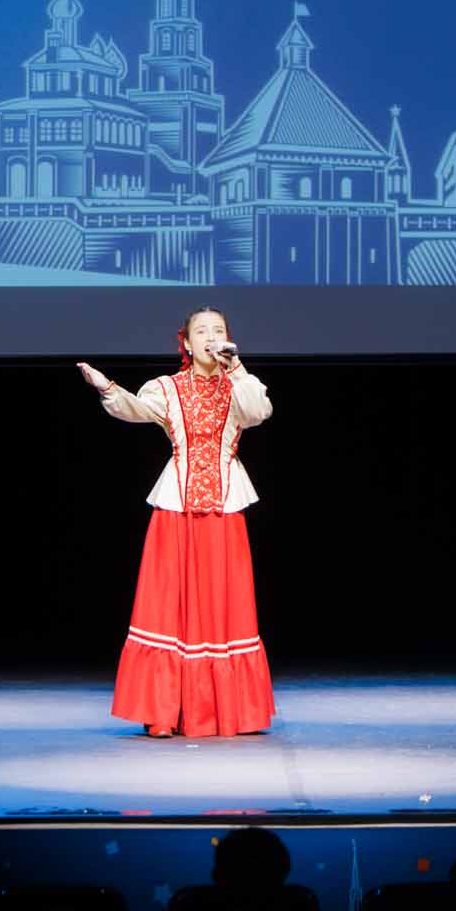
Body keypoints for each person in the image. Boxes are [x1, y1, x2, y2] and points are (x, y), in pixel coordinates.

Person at [77, 308, 275, 737]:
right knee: (169, 602)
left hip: (224, 508)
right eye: (201, 331)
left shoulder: (238, 386)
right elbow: (134, 409)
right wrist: (107, 387)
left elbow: (258, 411)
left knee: (223, 603)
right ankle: (165, 710)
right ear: (186, 342)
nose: (210, 337)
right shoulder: (167, 388)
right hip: (175, 509)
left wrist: (236, 367)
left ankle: (227, 710)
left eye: (218, 330)